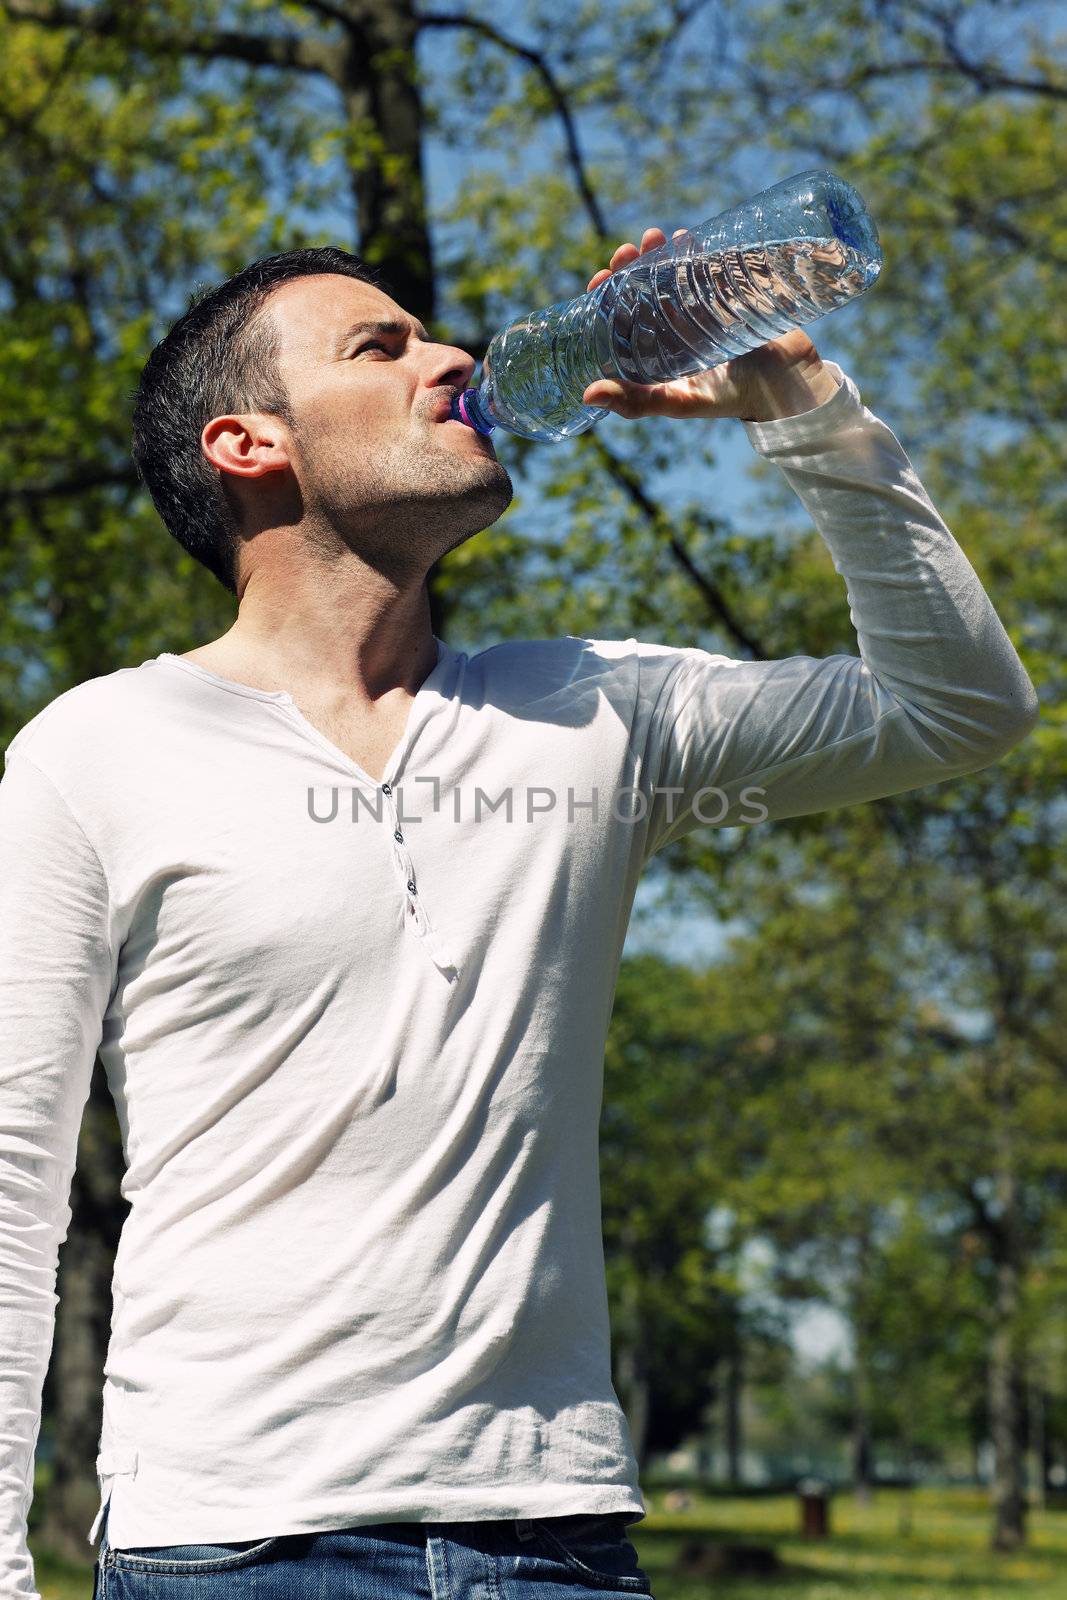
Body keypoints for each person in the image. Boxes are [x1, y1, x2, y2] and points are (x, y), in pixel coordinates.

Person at [0, 236, 1038, 1600]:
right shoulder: (102, 749)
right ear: (249, 443)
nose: (453, 361)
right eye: (382, 347)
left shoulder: (596, 706)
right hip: (229, 1543)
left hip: (556, 1541)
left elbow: (956, 709)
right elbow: (16, 1178)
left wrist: (807, 412)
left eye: (435, 337)